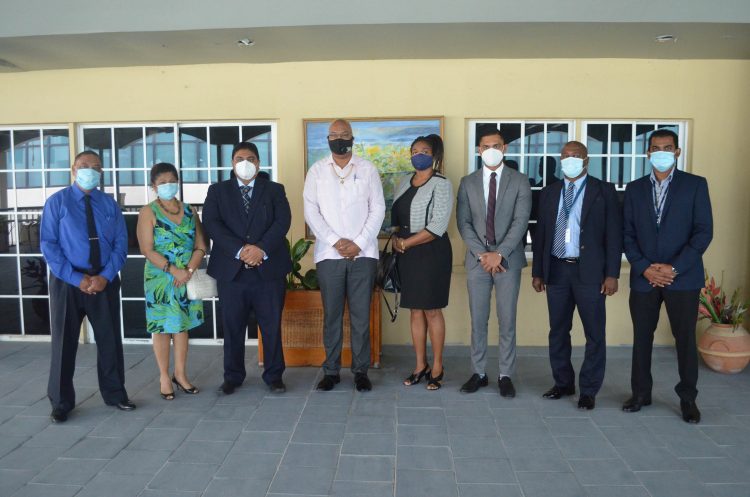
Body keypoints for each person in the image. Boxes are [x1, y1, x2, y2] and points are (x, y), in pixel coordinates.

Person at [622, 129, 713, 423]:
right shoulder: (634, 189)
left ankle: (688, 399)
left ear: (677, 151)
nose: (661, 152)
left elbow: (703, 232)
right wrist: (644, 266)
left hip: (682, 278)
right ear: (648, 152)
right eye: (656, 147)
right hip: (644, 276)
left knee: (685, 339)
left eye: (667, 147)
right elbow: (627, 234)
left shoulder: (695, 186)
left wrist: (673, 268)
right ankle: (640, 393)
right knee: (641, 338)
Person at [40, 150, 134, 422]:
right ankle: (60, 403)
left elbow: (120, 244)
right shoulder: (57, 203)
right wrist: (75, 278)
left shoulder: (109, 204)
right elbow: (49, 245)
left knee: (109, 341)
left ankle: (116, 394)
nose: (90, 170)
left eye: (95, 167)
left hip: (103, 280)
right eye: (84, 166)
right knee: (64, 343)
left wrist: (104, 275)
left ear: (101, 172)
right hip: (68, 282)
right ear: (73, 169)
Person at [531, 141, 622, 410]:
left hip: (591, 273)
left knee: (594, 333)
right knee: (558, 330)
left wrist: (612, 274)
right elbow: (541, 236)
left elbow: (614, 236)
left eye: (576, 155)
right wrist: (538, 272)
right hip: (557, 270)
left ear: (586, 160)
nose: (570, 159)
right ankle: (563, 383)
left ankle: (589, 390)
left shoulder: (603, 191)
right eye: (565, 155)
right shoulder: (549, 192)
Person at [202, 142, 292, 395]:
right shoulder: (217, 190)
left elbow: (282, 221)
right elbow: (212, 223)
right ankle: (233, 376)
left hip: (268, 270)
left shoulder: (274, 189)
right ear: (232, 163)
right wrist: (241, 251)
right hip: (232, 272)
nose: (245, 162)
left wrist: (260, 248)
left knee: (271, 325)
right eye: (240, 158)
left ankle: (274, 376)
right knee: (232, 326)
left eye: (250, 158)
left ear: (258, 163)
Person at [303, 119, 385, 392]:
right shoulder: (316, 171)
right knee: (332, 316)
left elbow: (378, 210)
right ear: (328, 140)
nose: (339, 139)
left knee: (362, 316)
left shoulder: (368, 169)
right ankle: (331, 371)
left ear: (352, 138)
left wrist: (359, 243)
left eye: (344, 135)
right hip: (329, 254)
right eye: (334, 135)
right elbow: (311, 212)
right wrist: (336, 242)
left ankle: (361, 371)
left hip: (364, 255)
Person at [456, 128, 531, 397]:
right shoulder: (467, 182)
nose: (490, 150)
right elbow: (463, 223)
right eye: (485, 146)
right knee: (478, 319)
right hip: (478, 261)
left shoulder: (520, 181)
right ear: (478, 150)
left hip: (507, 260)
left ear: (505, 148)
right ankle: (479, 372)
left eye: (496, 145)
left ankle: (505, 374)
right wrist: (483, 254)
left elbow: (520, 222)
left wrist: (500, 253)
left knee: (507, 319)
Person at [136, 163, 207, 400]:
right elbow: (147, 249)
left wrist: (187, 269)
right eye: (162, 182)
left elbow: (201, 245)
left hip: (186, 276)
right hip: (160, 278)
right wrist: (172, 270)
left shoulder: (189, 211)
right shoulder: (148, 212)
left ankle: (181, 374)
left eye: (172, 180)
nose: (168, 185)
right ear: (153, 186)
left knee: (182, 326)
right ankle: (164, 377)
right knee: (162, 328)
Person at [392, 134, 453, 390]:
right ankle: (420, 365)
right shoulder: (404, 182)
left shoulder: (442, 183)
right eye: (414, 150)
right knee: (415, 310)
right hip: (406, 253)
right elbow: (395, 216)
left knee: (432, 310)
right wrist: (397, 237)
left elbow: (438, 225)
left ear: (434, 154)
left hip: (431, 252)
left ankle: (437, 366)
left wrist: (407, 242)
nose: (418, 154)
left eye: (424, 150)